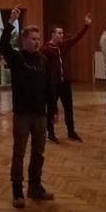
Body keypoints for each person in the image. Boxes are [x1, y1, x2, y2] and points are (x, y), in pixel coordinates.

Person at [0, 5, 54, 209]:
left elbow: (49, 86)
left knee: (39, 152)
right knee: (19, 153)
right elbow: (3, 45)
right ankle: (17, 190)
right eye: (33, 39)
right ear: (24, 40)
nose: (36, 42)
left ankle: (35, 186)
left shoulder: (43, 60)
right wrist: (10, 22)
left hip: (40, 114)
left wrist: (53, 110)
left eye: (38, 39)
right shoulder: (17, 58)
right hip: (22, 114)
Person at [40, 13, 91, 143]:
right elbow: (41, 66)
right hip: (53, 84)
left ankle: (71, 132)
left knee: (69, 108)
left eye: (62, 33)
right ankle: (51, 133)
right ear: (52, 34)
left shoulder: (64, 45)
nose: (61, 35)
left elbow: (77, 38)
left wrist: (86, 25)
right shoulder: (45, 49)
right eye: (59, 33)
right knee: (51, 108)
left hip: (65, 82)